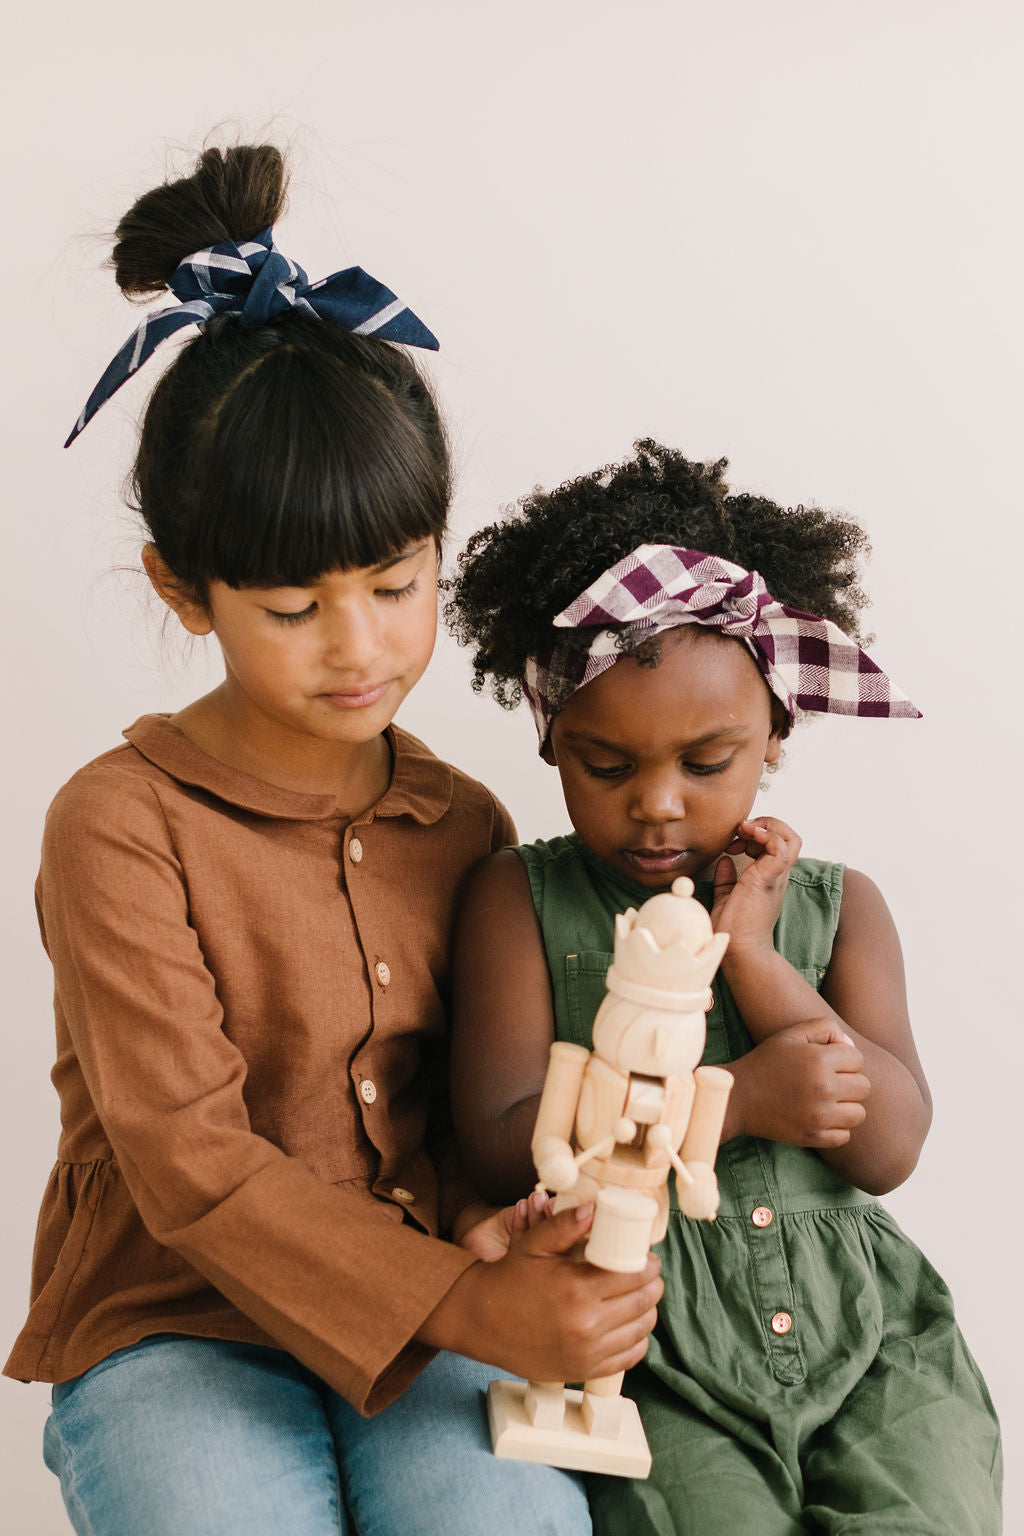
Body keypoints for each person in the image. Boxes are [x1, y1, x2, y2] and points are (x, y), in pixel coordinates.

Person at [4, 145, 667, 1536]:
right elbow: (189, 1165)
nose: (359, 646)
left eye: (396, 583)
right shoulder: (118, 826)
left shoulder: (465, 823)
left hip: (433, 1305)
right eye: (294, 611)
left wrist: (511, 1231)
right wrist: (471, 1295)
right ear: (185, 591)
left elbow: (457, 1117)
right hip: (172, 1329)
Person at [446, 439, 1002, 1535]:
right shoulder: (517, 900)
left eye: (706, 763)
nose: (657, 804)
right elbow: (498, 1140)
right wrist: (736, 1100)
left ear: (775, 736)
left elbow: (887, 1149)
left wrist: (749, 954)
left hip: (870, 1340)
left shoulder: (843, 912)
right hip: (652, 1352)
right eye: (608, 766)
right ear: (551, 738)